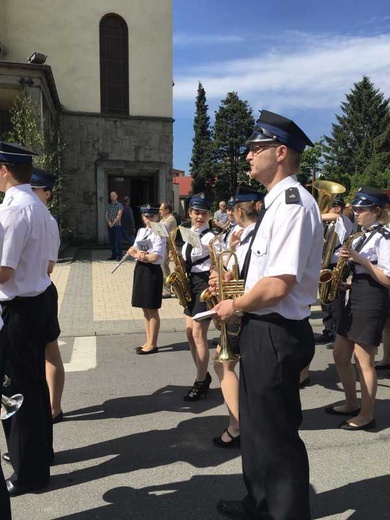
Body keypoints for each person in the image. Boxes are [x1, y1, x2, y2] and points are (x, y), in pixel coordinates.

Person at [212, 111, 323, 520]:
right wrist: (229, 284)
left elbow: (278, 284)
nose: (247, 156)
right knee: (256, 431)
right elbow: (262, 273)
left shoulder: (293, 205)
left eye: (255, 148)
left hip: (277, 331)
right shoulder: (274, 204)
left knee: (276, 436)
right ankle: (258, 502)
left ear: (279, 153)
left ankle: (286, 513)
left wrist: (234, 304)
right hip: (263, 328)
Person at [0, 142, 54, 496]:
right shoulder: (40, 209)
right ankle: (39, 457)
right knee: (34, 386)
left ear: (4, 170)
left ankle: (27, 471)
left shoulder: (13, 211)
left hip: (18, 308)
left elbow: (4, 271)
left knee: (14, 391)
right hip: (38, 302)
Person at [325, 186, 390, 431]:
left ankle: (367, 414)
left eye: (362, 209)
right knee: (340, 353)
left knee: (364, 360)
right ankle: (352, 402)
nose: (357, 212)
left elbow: (387, 278)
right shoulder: (364, 235)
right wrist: (347, 279)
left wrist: (360, 260)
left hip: (373, 299)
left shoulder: (385, 236)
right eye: (356, 208)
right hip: (357, 295)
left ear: (376, 210)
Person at [212, 187, 262, 450]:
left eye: (231, 209)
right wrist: (225, 277)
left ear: (239, 210)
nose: (229, 213)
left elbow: (255, 280)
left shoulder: (253, 236)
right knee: (223, 365)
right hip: (241, 309)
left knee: (224, 365)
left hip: (244, 311)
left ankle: (238, 425)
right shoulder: (240, 237)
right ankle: (240, 423)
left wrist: (229, 283)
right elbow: (239, 273)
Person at [29, 169, 64, 423]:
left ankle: (55, 407)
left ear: (47, 193)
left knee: (50, 352)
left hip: (42, 289)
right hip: (32, 291)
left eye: (34, 190)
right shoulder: (31, 217)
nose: (29, 194)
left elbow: (49, 266)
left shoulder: (48, 222)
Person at [181, 194, 215, 401]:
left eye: (203, 212)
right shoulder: (188, 232)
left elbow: (220, 263)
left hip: (203, 284)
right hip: (190, 282)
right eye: (196, 212)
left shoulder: (211, 237)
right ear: (190, 213)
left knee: (198, 335)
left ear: (209, 214)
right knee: (189, 335)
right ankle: (203, 374)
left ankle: (200, 381)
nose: (199, 216)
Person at [128, 204, 166, 355]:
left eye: (152, 216)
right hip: (141, 270)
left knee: (152, 308)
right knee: (144, 308)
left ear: (157, 216)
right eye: (146, 216)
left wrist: (138, 255)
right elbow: (135, 249)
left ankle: (153, 344)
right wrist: (139, 255)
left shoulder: (160, 232)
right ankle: (148, 340)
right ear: (143, 217)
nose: (149, 219)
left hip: (152, 271)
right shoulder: (142, 231)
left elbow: (155, 256)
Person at [316, 195, 353, 347]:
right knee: (325, 300)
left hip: (337, 265)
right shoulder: (327, 223)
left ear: (337, 208)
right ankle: (328, 331)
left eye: (328, 207)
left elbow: (335, 216)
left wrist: (313, 213)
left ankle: (339, 335)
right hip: (324, 265)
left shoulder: (344, 220)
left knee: (336, 301)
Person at [159, 202, 177, 298]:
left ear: (167, 210)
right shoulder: (164, 219)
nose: (160, 211)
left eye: (161, 209)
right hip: (163, 245)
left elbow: (160, 230)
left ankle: (167, 291)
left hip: (167, 246)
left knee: (164, 268)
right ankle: (164, 289)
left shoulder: (170, 220)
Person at [105, 191, 123, 260]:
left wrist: (113, 223)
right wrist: (108, 222)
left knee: (118, 241)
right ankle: (113, 255)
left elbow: (119, 216)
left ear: (116, 196)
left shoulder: (120, 205)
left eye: (113, 196)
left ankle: (119, 256)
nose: (112, 197)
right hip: (110, 226)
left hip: (117, 226)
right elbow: (106, 214)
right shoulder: (108, 205)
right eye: (111, 196)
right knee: (112, 241)